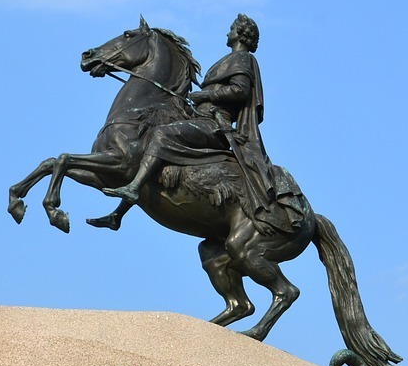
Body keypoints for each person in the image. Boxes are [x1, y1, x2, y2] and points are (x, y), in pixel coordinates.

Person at [100, 14, 301, 235]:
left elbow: (240, 90)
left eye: (232, 28)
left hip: (216, 124)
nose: (228, 32)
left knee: (162, 135)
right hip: (202, 117)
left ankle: (134, 187)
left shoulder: (242, 58)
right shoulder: (228, 59)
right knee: (143, 142)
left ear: (241, 33)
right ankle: (118, 214)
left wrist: (206, 95)